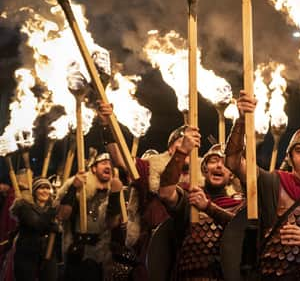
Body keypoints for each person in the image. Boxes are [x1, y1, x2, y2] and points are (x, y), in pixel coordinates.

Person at [224, 90, 300, 281]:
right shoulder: (273, 183)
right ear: (290, 159)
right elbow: (233, 162)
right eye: (299, 151)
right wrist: (241, 120)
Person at [98, 101, 193, 281]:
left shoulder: (202, 175)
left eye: (190, 144)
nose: (186, 147)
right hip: (154, 247)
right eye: (181, 143)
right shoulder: (150, 168)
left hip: (191, 249)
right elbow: (120, 158)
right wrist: (106, 126)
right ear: (171, 146)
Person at [159, 141, 244, 280]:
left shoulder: (239, 205)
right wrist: (182, 151)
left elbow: (239, 230)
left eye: (224, 163)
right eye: (213, 161)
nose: (219, 166)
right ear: (204, 169)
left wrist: (207, 207)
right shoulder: (190, 199)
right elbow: (166, 193)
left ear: (232, 175)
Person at [56, 152, 124, 281]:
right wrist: (73, 189)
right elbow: (62, 215)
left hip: (101, 255)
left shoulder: (114, 190)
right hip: (77, 253)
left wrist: (115, 195)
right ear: (93, 168)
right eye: (104, 163)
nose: (108, 166)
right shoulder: (79, 190)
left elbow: (112, 223)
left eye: (110, 164)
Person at [9, 177, 59, 281]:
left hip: (47, 253)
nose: (45, 191)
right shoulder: (25, 207)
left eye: (47, 188)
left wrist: (57, 229)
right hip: (26, 254)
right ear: (35, 191)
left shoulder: (52, 207)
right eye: (41, 188)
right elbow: (36, 224)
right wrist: (51, 214)